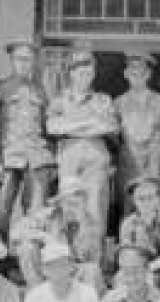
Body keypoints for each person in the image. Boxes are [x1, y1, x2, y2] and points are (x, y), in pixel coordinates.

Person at [46, 45, 120, 240]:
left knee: (95, 208)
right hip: (69, 160)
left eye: (89, 73)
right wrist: (88, 123)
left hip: (96, 161)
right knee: (68, 207)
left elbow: (109, 126)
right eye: (80, 72)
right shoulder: (60, 100)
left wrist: (71, 127)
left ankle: (93, 258)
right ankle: (66, 257)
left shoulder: (103, 99)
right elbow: (52, 127)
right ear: (71, 73)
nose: (85, 77)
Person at [0, 41, 55, 234]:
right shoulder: (0, 88)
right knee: (1, 208)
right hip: (9, 158)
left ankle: (27, 256)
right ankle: (0, 258)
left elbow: (46, 128)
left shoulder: (40, 91)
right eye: (19, 59)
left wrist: (50, 160)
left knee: (34, 211)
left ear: (33, 62)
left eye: (28, 60)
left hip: (35, 158)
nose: (24, 64)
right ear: (12, 61)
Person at [11, 176, 104, 294]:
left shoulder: (90, 223)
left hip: (73, 269)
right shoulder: (47, 215)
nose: (72, 207)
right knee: (26, 248)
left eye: (77, 203)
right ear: (61, 202)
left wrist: (82, 223)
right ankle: (39, 292)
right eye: (69, 202)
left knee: (92, 270)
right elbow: (16, 233)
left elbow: (89, 258)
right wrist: (45, 237)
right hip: (47, 268)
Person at [114, 51, 160, 212]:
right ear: (126, 74)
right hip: (129, 160)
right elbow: (115, 136)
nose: (136, 75)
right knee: (129, 203)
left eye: (141, 72)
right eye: (132, 71)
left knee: (154, 202)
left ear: (148, 75)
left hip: (153, 159)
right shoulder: (118, 103)